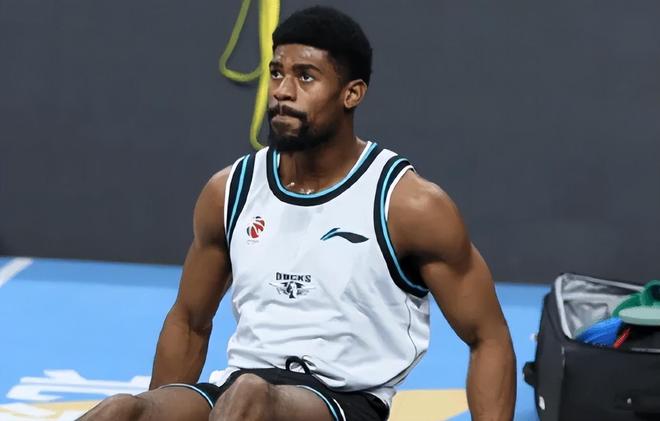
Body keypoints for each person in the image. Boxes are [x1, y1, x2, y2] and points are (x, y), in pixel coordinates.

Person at [79, 6, 516, 421]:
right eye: (276, 72)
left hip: (346, 401)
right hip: (238, 391)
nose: (282, 91)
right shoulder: (229, 191)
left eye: (305, 77)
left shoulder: (408, 204)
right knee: (121, 410)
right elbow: (190, 323)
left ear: (351, 94)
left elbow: (488, 338)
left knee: (250, 396)